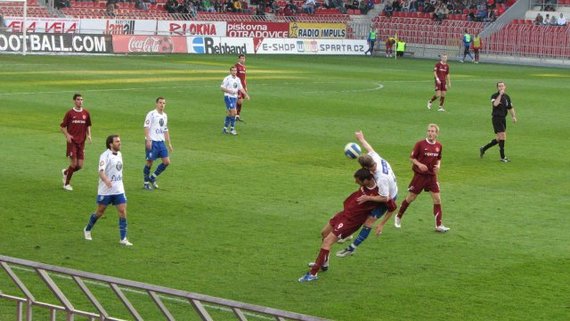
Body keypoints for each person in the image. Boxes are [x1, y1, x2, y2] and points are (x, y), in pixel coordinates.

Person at [298, 168, 386, 282]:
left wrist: (381, 224)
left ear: (366, 180)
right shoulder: (369, 181)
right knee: (324, 233)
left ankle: (313, 273)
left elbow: (391, 203)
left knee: (327, 242)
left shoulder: (380, 191)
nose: (355, 182)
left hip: (350, 221)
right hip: (344, 214)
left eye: (358, 180)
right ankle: (324, 263)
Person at [336, 131, 398, 257]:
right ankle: (348, 233)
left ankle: (352, 248)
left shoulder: (381, 178)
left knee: (369, 221)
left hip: (388, 195)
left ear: (368, 168)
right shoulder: (375, 158)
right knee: (358, 210)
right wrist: (361, 139)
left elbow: (385, 198)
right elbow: (370, 149)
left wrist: (368, 197)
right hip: (381, 191)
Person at [394, 124, 450, 233]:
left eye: (433, 131)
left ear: (437, 134)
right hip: (420, 176)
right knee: (411, 197)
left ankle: (438, 225)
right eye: (429, 131)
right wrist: (419, 165)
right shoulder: (420, 144)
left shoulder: (439, 145)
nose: (430, 133)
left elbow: (439, 158)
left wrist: (438, 166)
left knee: (437, 199)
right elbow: (412, 158)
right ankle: (398, 216)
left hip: (432, 177)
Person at [83, 135, 132, 246]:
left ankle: (123, 238)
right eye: (117, 141)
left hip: (118, 189)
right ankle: (87, 229)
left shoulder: (120, 154)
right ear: (111, 144)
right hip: (106, 190)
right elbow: (101, 171)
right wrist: (106, 181)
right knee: (100, 212)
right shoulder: (104, 156)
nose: (120, 143)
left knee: (122, 211)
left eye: (120, 141)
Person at [60, 93, 92, 191]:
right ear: (74, 101)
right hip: (72, 142)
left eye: (81, 99)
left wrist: (89, 135)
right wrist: (67, 135)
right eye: (78, 99)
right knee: (73, 164)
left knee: (80, 166)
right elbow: (62, 126)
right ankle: (66, 184)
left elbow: (88, 125)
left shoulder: (86, 113)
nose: (80, 101)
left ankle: (66, 172)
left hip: (81, 142)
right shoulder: (69, 113)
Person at [479, 82, 517, 162]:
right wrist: (500, 95)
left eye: (502, 86)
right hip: (496, 118)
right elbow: (495, 104)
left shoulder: (507, 97)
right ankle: (502, 157)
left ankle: (483, 148)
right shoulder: (494, 96)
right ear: (497, 88)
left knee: (499, 138)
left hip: (503, 119)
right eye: (499, 86)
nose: (501, 87)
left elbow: (510, 107)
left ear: (505, 87)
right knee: (503, 136)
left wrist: (513, 116)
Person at [143, 97, 173, 190]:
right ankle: (146, 182)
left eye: (164, 103)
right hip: (152, 141)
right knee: (149, 162)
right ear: (156, 103)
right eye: (160, 103)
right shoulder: (151, 114)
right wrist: (148, 140)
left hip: (161, 142)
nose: (162, 105)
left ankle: (152, 177)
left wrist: (169, 144)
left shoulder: (165, 116)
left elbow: (165, 129)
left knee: (166, 162)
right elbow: (146, 127)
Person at [221, 66, 250, 136]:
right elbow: (222, 88)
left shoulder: (238, 79)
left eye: (235, 71)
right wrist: (229, 91)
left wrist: (246, 95)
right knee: (234, 112)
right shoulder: (227, 78)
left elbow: (241, 88)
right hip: (228, 97)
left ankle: (225, 129)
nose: (234, 72)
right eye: (233, 71)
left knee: (229, 113)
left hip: (234, 98)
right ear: (230, 71)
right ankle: (232, 129)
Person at [234, 54, 248, 122]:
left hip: (243, 87)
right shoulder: (236, 66)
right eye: (241, 58)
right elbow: (234, 77)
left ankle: (237, 115)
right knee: (239, 101)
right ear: (239, 59)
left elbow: (244, 78)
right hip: (238, 87)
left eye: (244, 58)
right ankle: (234, 114)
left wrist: (246, 87)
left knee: (241, 101)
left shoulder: (244, 67)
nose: (243, 59)